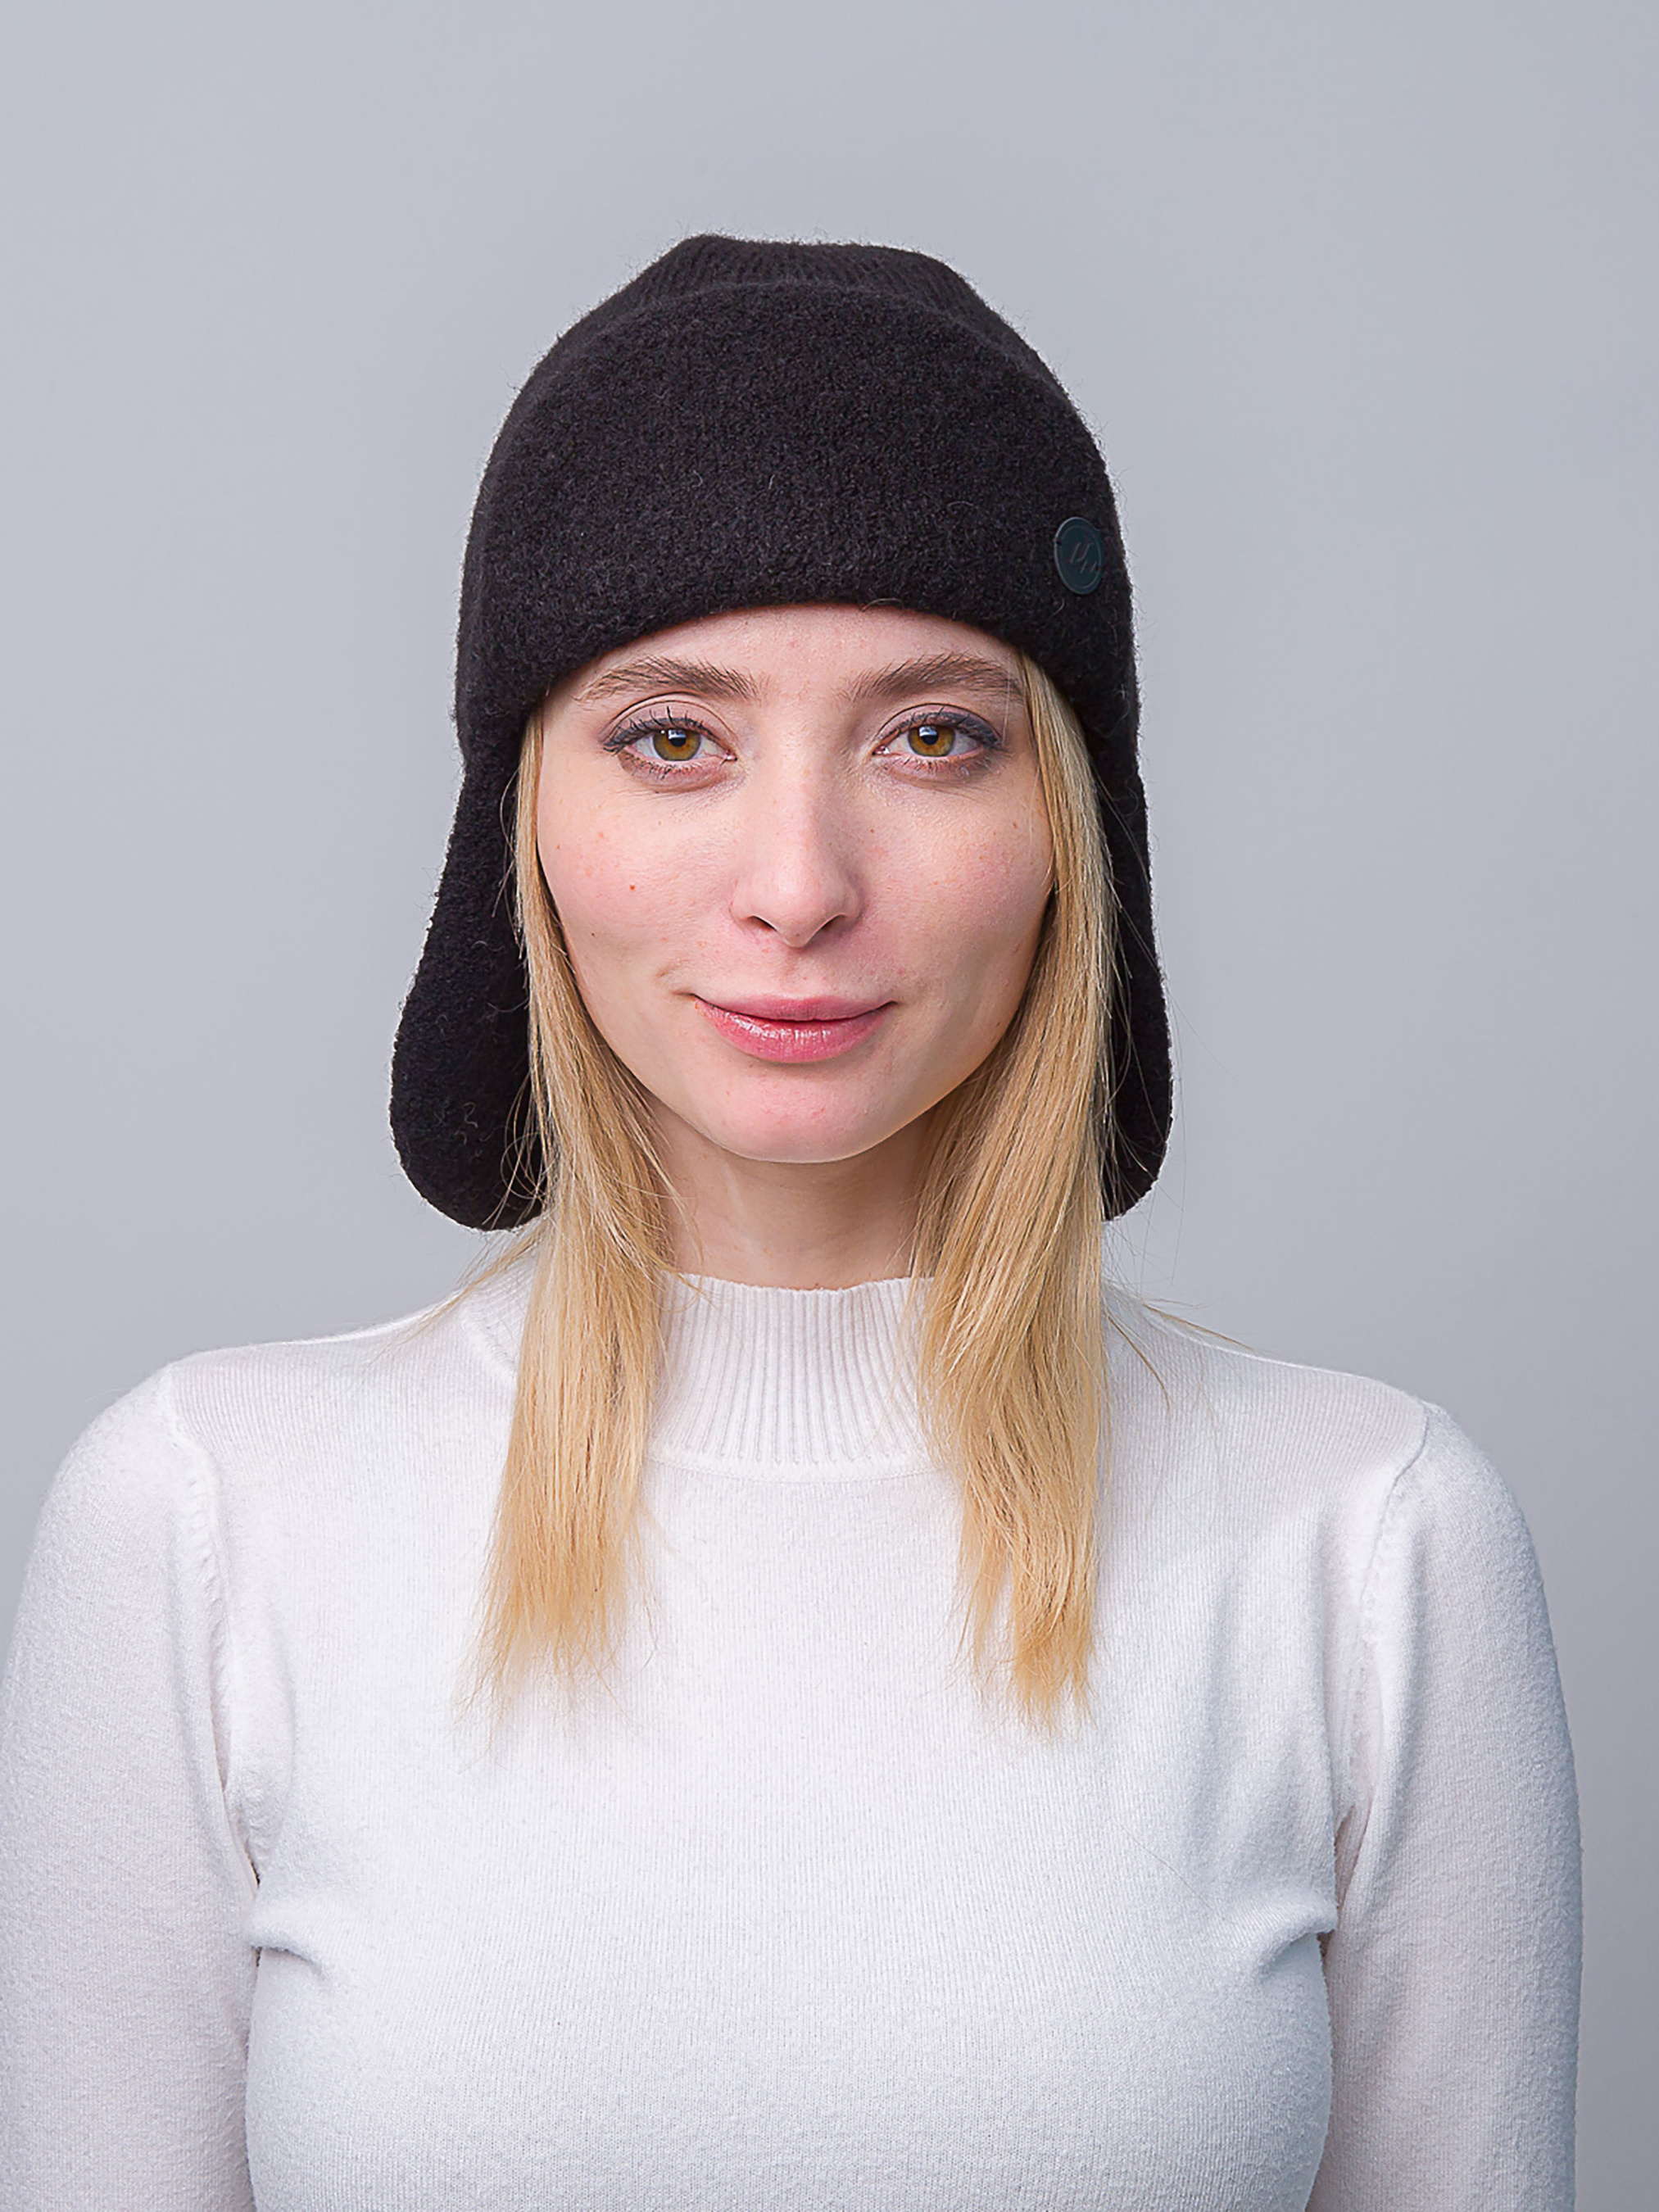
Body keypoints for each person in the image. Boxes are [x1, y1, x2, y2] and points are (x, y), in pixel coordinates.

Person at [0, 237, 1579, 2210]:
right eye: (673, 736)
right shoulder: (200, 1524)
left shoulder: (1370, 1548)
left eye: (933, 736)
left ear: (1069, 829)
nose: (799, 883)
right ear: (520, 823)